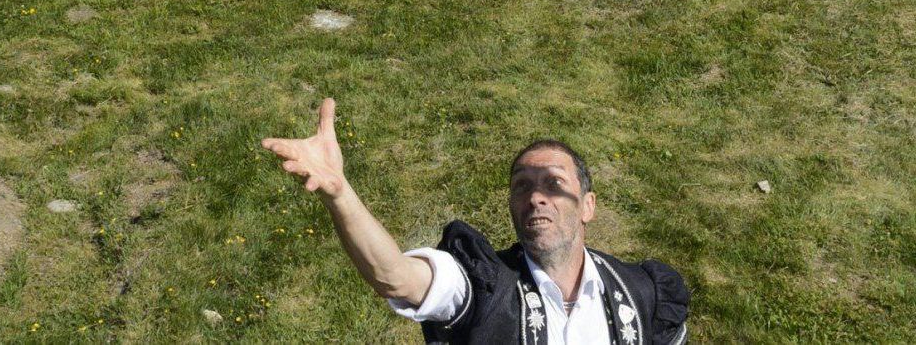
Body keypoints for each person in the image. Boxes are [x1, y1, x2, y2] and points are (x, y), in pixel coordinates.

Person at [262, 99, 690, 344]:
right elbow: (394, 277)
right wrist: (340, 192)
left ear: (588, 206)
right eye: (521, 186)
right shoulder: (485, 284)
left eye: (553, 183)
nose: (536, 196)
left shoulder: (643, 291)